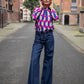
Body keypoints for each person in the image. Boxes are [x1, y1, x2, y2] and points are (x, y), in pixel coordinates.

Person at [27, 0, 59, 84]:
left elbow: (56, 18)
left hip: (49, 36)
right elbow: (34, 17)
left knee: (48, 60)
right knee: (34, 59)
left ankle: (46, 82)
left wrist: (52, 8)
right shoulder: (37, 9)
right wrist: (40, 7)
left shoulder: (51, 10)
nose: (46, 0)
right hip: (38, 37)